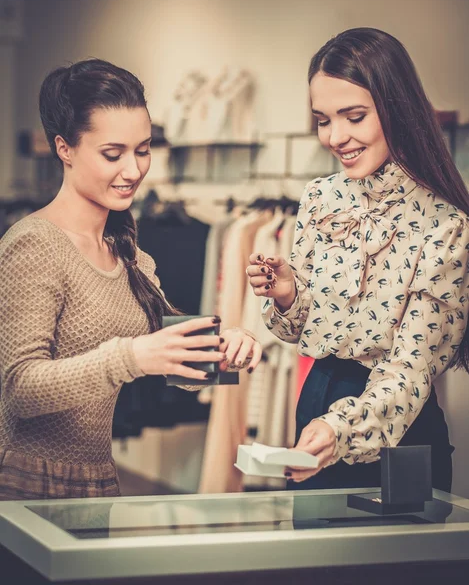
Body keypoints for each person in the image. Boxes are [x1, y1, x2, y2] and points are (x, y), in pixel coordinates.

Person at [0, 58, 261, 501]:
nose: (133, 170)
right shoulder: (33, 245)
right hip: (24, 480)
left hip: (99, 481)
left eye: (142, 151)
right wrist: (131, 357)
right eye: (112, 154)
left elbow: (168, 359)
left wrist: (223, 348)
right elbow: (20, 389)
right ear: (64, 148)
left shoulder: (131, 255)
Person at [246, 27, 469, 493]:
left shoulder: (446, 227)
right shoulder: (319, 198)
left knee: (390, 567)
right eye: (323, 120)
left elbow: (409, 372)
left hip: (398, 435)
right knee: (312, 560)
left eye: (354, 116)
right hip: (315, 411)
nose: (336, 137)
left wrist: (342, 429)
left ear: (396, 109)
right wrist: (289, 296)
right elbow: (296, 333)